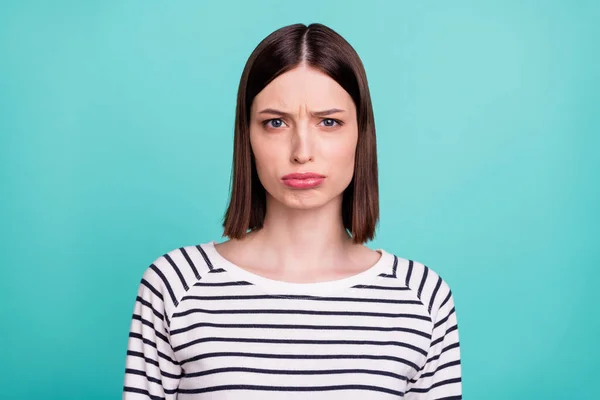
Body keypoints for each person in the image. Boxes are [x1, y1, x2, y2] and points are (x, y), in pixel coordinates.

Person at [122, 22, 462, 399]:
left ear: (361, 134)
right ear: (247, 135)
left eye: (329, 122)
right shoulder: (175, 285)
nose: (302, 150)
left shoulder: (421, 296)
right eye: (276, 122)